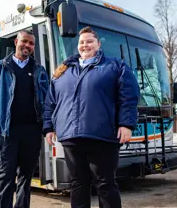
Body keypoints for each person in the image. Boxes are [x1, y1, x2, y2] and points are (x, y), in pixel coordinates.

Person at [43, 26, 140, 208]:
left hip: (102, 135)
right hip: (71, 137)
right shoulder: (62, 71)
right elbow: (50, 102)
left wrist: (126, 124)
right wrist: (48, 127)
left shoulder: (115, 66)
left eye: (89, 41)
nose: (85, 45)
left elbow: (128, 96)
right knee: (78, 183)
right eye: (81, 42)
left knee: (105, 184)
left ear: (98, 44)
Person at [0, 30, 49, 208]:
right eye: (24, 41)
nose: (27, 46)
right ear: (16, 41)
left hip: (32, 132)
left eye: (31, 43)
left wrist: (47, 127)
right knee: (5, 176)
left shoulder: (39, 70)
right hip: (7, 131)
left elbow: (47, 101)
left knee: (26, 177)